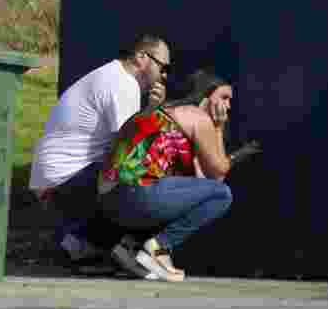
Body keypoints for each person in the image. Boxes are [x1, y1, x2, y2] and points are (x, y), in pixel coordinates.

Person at [28, 34, 170, 268]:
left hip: (56, 180)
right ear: (141, 57)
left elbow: (127, 137)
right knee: (141, 175)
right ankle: (97, 244)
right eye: (162, 66)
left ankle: (85, 243)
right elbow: (129, 149)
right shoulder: (123, 85)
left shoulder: (112, 75)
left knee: (136, 171)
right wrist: (154, 111)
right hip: (63, 183)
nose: (164, 75)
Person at [98, 69, 237, 282]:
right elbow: (218, 174)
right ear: (206, 97)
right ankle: (158, 248)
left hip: (109, 203)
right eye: (224, 98)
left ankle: (129, 248)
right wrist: (219, 128)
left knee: (178, 193)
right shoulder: (198, 116)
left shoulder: (164, 112)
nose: (228, 106)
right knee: (222, 195)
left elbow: (199, 183)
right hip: (138, 196)